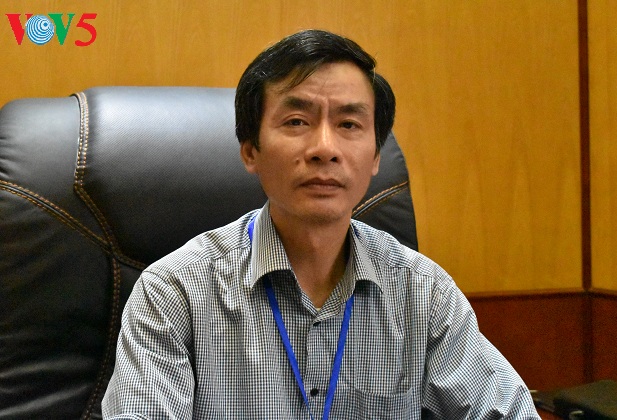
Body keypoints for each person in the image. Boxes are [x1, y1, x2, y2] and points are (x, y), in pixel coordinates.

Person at [102, 29, 540, 419]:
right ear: (250, 150)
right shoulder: (174, 294)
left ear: (375, 156)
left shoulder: (423, 294)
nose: (325, 148)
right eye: (297, 122)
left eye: (349, 123)